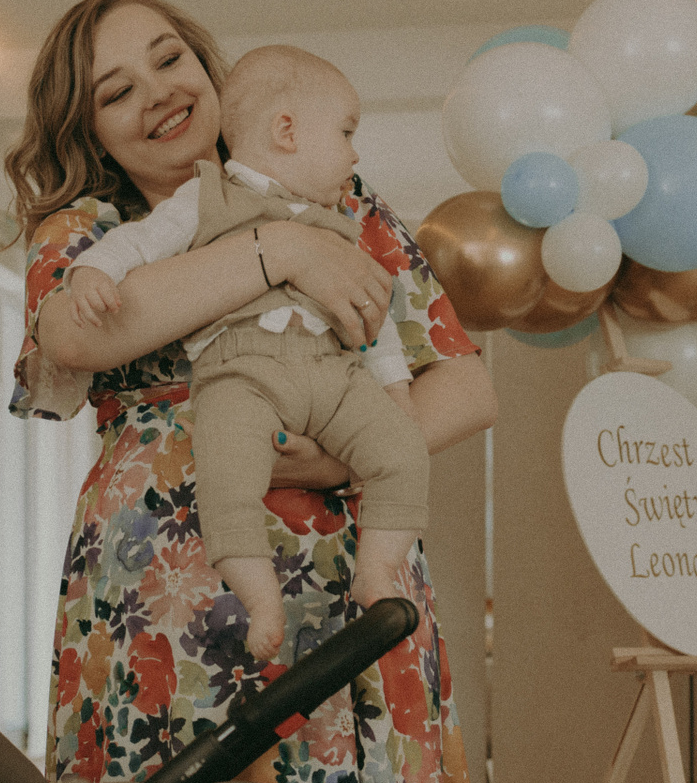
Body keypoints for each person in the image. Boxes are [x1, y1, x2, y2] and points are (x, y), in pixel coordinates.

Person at [6, 0, 499, 783]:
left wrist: (342, 449)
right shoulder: (89, 231)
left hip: (350, 597)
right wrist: (278, 250)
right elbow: (77, 336)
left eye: (168, 58)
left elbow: (464, 380)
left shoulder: (339, 193)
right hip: (167, 630)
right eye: (115, 92)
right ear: (89, 131)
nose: (157, 94)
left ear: (207, 63)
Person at [64, 44, 427, 662]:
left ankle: (377, 570)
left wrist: (395, 391)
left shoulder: (343, 219)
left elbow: (374, 313)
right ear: (286, 131)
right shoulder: (206, 198)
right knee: (228, 481)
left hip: (334, 373)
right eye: (345, 133)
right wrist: (92, 272)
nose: (354, 154)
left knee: (404, 454)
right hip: (239, 374)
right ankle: (260, 598)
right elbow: (140, 243)